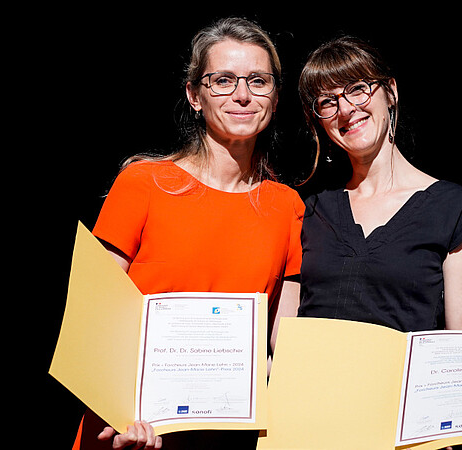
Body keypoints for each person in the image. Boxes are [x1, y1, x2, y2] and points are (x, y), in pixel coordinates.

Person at [71, 17, 303, 450]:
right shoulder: (142, 183)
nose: (242, 94)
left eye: (258, 80)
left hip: (230, 436)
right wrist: (118, 410)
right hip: (128, 428)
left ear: (275, 95)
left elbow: (283, 348)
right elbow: (93, 323)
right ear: (194, 95)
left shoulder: (287, 206)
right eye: (222, 81)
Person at [295, 36, 462, 333]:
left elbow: (458, 349)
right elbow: (282, 335)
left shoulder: (457, 211)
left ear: (391, 92)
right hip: (312, 380)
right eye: (328, 101)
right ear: (319, 122)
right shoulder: (310, 212)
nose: (346, 109)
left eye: (358, 89)